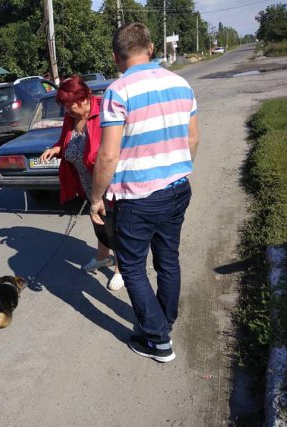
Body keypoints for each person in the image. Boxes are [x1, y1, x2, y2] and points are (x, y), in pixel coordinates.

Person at [90, 22, 199, 362]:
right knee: (168, 260)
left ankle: (157, 338)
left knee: (133, 267)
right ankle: (164, 320)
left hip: (137, 197)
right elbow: (192, 139)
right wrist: (172, 170)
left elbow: (107, 155)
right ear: (151, 48)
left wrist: (96, 198)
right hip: (178, 189)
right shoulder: (181, 84)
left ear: (115, 57)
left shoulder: (118, 91)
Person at [40, 75, 124, 291]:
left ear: (83, 99)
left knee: (115, 226)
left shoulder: (104, 112)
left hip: (110, 182)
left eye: (69, 105)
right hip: (88, 183)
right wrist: (56, 149)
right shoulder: (71, 117)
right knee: (100, 223)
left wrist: (105, 189)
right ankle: (103, 257)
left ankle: (121, 269)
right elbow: (64, 142)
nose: (66, 111)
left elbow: (110, 153)